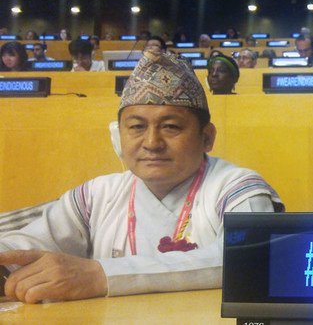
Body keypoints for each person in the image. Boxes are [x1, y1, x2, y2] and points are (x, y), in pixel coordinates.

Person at [0, 49, 283, 303]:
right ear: (118, 135)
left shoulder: (237, 187)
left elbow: (249, 256)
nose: (151, 142)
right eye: (136, 127)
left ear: (206, 137)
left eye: (170, 127)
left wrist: (101, 275)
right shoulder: (99, 194)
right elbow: (30, 243)